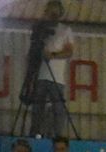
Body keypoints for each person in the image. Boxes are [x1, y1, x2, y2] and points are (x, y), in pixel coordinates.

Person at [26, 0, 73, 139]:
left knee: (58, 107)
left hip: (56, 76)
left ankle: (58, 137)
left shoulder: (65, 30)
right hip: (40, 75)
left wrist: (52, 55)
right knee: (37, 108)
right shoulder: (40, 29)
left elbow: (69, 52)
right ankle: (34, 134)